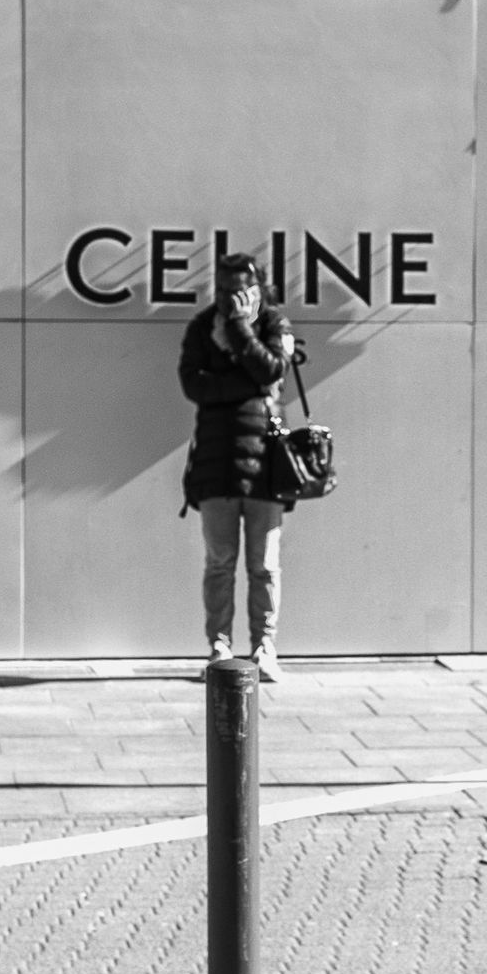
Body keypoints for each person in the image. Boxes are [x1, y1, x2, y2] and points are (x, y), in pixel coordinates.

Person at [178, 252, 296, 681]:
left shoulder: (272, 324)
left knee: (263, 565)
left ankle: (264, 648)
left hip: (265, 465)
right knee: (219, 563)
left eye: (240, 287)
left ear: (258, 287)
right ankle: (219, 647)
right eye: (224, 287)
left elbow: (273, 368)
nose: (230, 296)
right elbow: (193, 385)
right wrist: (250, 384)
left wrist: (240, 329)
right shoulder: (201, 326)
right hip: (215, 464)